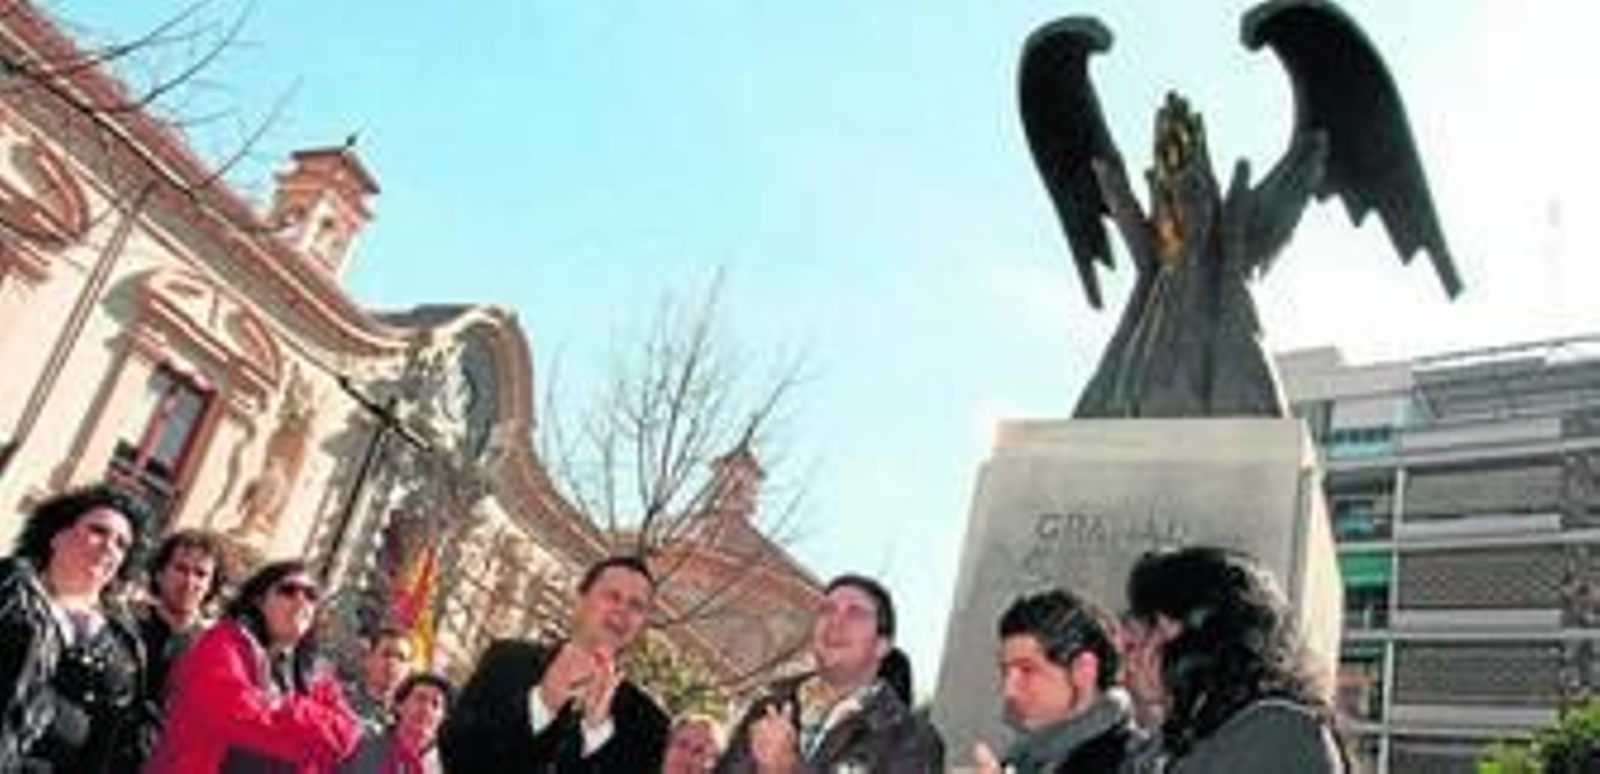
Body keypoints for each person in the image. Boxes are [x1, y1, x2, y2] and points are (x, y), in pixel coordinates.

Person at [1120, 546, 1347, 773]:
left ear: (1201, 637)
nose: (1134, 653)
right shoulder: (1195, 735)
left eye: (1153, 627)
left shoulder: (1276, 734)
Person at [439, 555, 669, 772]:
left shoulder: (649, 723)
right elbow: (456, 755)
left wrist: (595, 732)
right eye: (612, 596)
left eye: (636, 605)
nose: (623, 610)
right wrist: (542, 703)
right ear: (580, 601)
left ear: (642, 625)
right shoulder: (506, 661)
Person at [146, 559, 361, 772]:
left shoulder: (316, 674)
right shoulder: (223, 643)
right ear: (259, 600)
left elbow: (346, 735)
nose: (301, 601)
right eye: (288, 590)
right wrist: (310, 726)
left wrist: (277, 705)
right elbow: (240, 716)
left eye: (311, 595)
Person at [714, 574, 944, 773]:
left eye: (855, 614)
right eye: (827, 610)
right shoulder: (767, 708)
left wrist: (789, 769)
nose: (836, 621)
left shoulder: (912, 739)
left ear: (881, 646)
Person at [0, 483, 151, 772]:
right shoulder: (8, 591)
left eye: (122, 544)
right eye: (98, 531)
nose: (109, 546)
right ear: (58, 536)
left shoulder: (123, 640)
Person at [971, 589, 1142, 774]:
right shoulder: (1023, 760)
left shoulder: (1136, 763)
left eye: (1027, 670)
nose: (1009, 690)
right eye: (1005, 672)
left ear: (1083, 671)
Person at [127, 528, 226, 768]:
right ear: (160, 573)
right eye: (181, 569)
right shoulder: (124, 625)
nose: (190, 581)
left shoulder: (218, 650)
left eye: (201, 574)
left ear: (211, 586)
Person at [339, 671, 454, 774]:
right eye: (420, 698)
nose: (426, 709)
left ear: (443, 719)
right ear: (399, 706)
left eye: (436, 704)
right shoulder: (361, 745)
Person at [347, 624, 417, 732]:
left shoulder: (407, 721)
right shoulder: (341, 700)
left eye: (401, 658)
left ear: (409, 670)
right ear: (368, 659)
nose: (392, 663)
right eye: (386, 654)